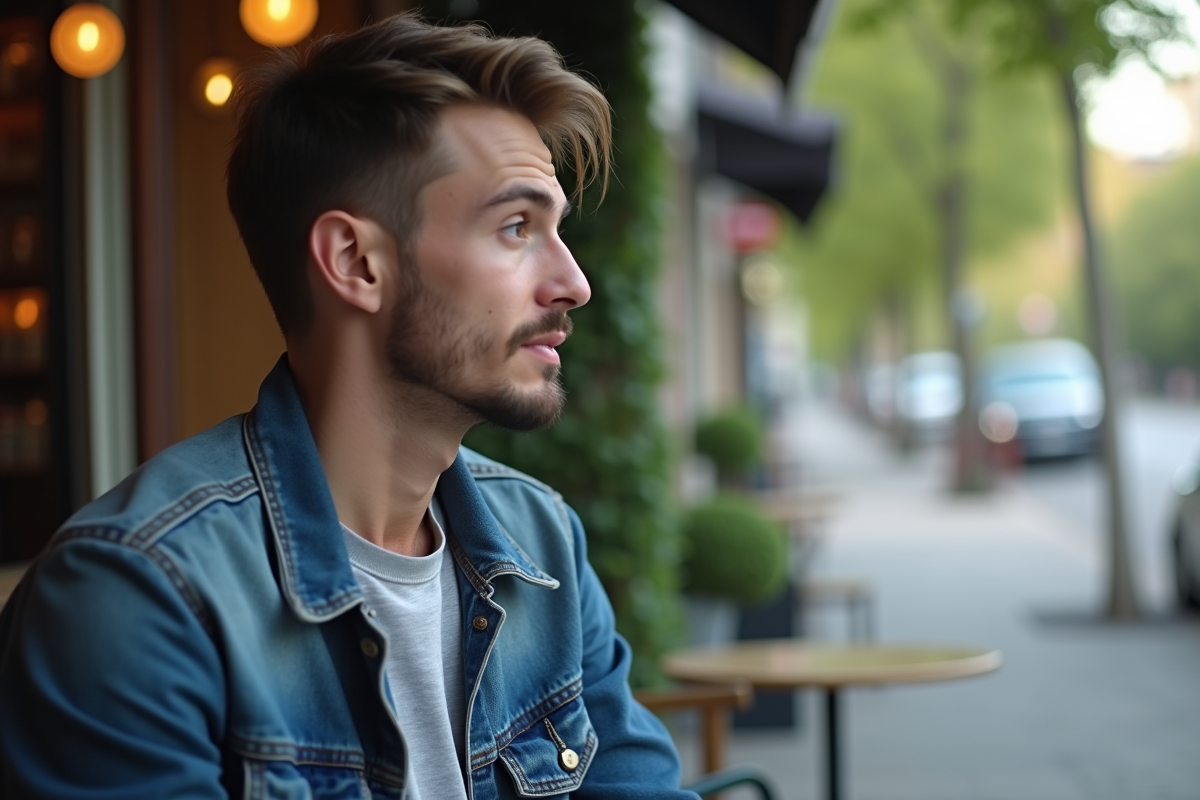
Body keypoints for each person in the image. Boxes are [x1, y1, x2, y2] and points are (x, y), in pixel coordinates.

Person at [0, 14, 695, 799]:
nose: (574, 283)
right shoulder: (134, 595)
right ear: (356, 262)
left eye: (555, 231)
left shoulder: (544, 548)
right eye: (515, 227)